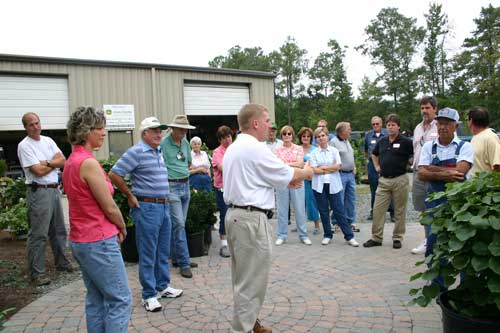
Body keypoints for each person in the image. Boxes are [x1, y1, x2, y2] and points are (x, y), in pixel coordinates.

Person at [223, 103, 313, 333]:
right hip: (250, 219)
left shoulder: (236, 147)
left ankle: (251, 323)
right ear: (255, 123)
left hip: (237, 216)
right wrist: (307, 171)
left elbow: (267, 176)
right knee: (251, 282)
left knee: (243, 278)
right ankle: (242, 329)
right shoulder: (255, 148)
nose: (269, 125)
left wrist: (288, 178)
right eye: (266, 121)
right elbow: (288, 173)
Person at [63, 106, 132, 332]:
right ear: (86, 131)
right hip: (98, 240)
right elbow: (109, 207)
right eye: (100, 128)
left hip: (80, 240)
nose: (104, 133)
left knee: (96, 299)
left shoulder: (71, 161)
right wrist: (122, 226)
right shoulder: (88, 163)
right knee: (120, 299)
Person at [109, 117, 183, 312]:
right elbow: (114, 174)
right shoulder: (136, 152)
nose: (159, 134)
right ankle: (148, 295)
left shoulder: (156, 150)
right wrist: (130, 195)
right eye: (154, 130)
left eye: (160, 130)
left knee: (162, 250)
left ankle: (162, 286)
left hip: (163, 205)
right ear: (144, 134)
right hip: (148, 207)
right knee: (149, 251)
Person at [417, 108, 473, 290]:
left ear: (455, 126)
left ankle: (465, 287)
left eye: (447, 124)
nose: (442, 127)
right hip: (434, 203)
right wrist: (448, 172)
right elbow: (421, 174)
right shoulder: (428, 146)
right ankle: (438, 285)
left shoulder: (465, 146)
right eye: (440, 123)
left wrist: (432, 169)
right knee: (434, 244)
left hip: (459, 204)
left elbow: (460, 172)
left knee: (462, 244)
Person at [17, 112, 72, 286]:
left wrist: (46, 162)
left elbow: (63, 161)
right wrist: (52, 163)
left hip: (54, 190)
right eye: (31, 124)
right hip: (38, 191)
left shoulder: (48, 141)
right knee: (39, 234)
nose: (35, 126)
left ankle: (62, 264)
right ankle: (37, 273)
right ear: (25, 127)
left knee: (59, 230)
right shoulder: (24, 146)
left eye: (37, 123)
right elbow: (37, 171)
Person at [363, 114, 413, 249]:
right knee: (378, 209)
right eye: (388, 125)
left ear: (398, 126)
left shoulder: (406, 141)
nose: (390, 127)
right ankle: (376, 238)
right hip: (384, 180)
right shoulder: (383, 141)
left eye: (393, 125)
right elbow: (374, 154)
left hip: (400, 180)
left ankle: (397, 237)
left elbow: (414, 154)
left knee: (399, 210)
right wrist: (377, 166)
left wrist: (411, 164)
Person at [160, 115, 198, 279]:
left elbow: (189, 163)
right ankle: (184, 262)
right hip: (172, 186)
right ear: (173, 128)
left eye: (185, 130)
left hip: (185, 185)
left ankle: (177, 257)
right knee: (180, 224)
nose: (183, 132)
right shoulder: (163, 144)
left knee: (178, 225)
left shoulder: (185, 143)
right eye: (181, 129)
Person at [310, 126, 359, 247]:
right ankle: (327, 235)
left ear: (327, 136)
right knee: (323, 211)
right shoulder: (314, 153)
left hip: (334, 185)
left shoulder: (334, 151)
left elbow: (338, 166)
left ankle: (349, 236)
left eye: (323, 135)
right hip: (319, 186)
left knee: (339, 210)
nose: (321, 138)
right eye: (318, 136)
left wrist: (323, 168)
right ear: (316, 139)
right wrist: (328, 168)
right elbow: (314, 170)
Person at [274, 125, 312, 246]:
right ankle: (282, 235)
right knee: (282, 210)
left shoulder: (298, 149)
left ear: (292, 135)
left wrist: (285, 164)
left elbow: (301, 164)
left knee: (300, 210)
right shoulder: (277, 150)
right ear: (281, 136)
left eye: (289, 133)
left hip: (297, 182)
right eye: (284, 134)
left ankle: (303, 235)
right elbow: (277, 166)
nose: (287, 136)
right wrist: (292, 164)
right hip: (282, 184)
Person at [411, 96, 439, 255]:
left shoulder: (440, 126)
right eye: (422, 108)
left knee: (435, 207)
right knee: (422, 207)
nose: (424, 111)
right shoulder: (417, 128)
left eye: (427, 108)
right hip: (418, 172)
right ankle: (428, 240)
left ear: (434, 108)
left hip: (433, 173)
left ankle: (437, 241)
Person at [329, 122, 359, 232]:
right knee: (339, 200)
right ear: (342, 131)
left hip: (350, 175)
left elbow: (350, 156)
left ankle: (350, 221)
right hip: (340, 174)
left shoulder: (347, 141)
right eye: (349, 129)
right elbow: (330, 159)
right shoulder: (333, 142)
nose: (350, 131)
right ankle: (336, 222)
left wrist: (354, 167)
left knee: (350, 199)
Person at [363, 116, 394, 221]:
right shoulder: (368, 135)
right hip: (373, 165)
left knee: (390, 188)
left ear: (381, 124)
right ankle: (374, 211)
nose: (375, 126)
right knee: (374, 189)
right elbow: (366, 151)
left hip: (387, 164)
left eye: (377, 124)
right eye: (373, 124)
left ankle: (392, 212)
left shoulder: (387, 133)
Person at [211, 125, 233, 258]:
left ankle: (234, 242)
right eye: (224, 137)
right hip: (222, 188)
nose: (227, 140)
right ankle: (224, 245)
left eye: (229, 136)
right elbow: (221, 167)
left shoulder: (237, 150)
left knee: (236, 216)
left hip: (235, 188)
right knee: (224, 215)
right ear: (220, 139)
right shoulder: (217, 152)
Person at [298, 127, 321, 235]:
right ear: (300, 137)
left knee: (312, 202)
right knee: (299, 204)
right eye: (304, 136)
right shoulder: (296, 149)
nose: (306, 138)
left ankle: (317, 225)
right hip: (298, 179)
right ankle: (300, 225)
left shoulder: (315, 149)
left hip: (310, 180)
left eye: (308, 136)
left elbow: (318, 164)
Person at [467, 106, 500, 175]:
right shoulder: (476, 137)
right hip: (473, 184)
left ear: (471, 121)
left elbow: (497, 166)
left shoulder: (490, 137)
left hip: (486, 185)